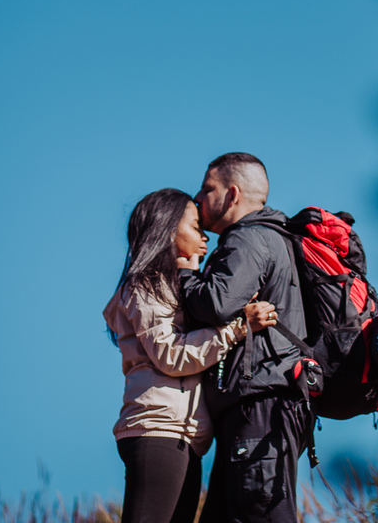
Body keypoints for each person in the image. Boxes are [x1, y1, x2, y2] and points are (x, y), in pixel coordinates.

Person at [103, 188, 278, 523]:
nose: (204, 237)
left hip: (182, 438)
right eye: (196, 227)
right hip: (158, 430)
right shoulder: (146, 286)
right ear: (169, 229)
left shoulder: (170, 286)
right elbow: (171, 354)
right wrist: (238, 328)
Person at [179, 153, 309, 523]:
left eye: (208, 189)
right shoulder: (271, 237)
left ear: (232, 194)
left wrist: (187, 273)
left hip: (260, 402)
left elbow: (217, 303)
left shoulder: (249, 238)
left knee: (261, 514)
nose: (199, 198)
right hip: (264, 400)